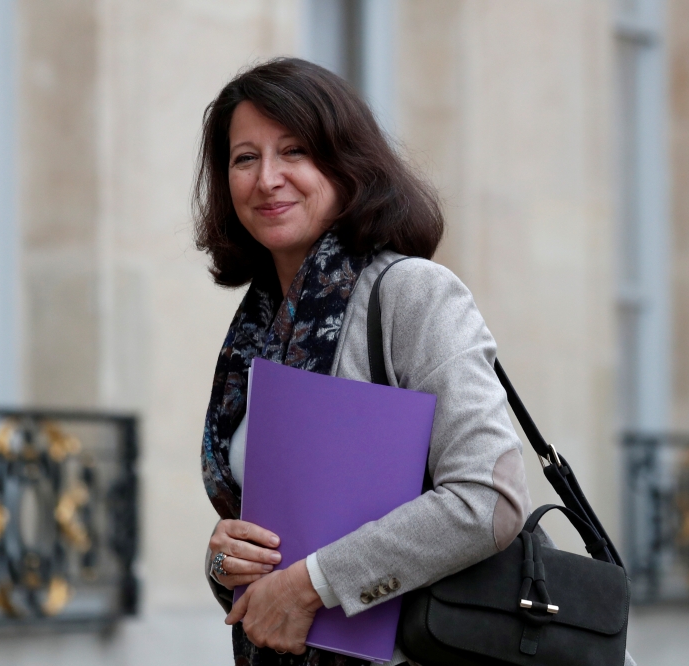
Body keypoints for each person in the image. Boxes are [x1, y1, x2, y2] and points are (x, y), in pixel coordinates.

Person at [195, 58, 533, 666]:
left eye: (293, 150)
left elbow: (488, 497)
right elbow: (277, 532)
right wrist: (225, 560)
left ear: (345, 164)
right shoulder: (255, 332)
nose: (267, 178)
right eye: (245, 158)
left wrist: (311, 586)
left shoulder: (411, 293)